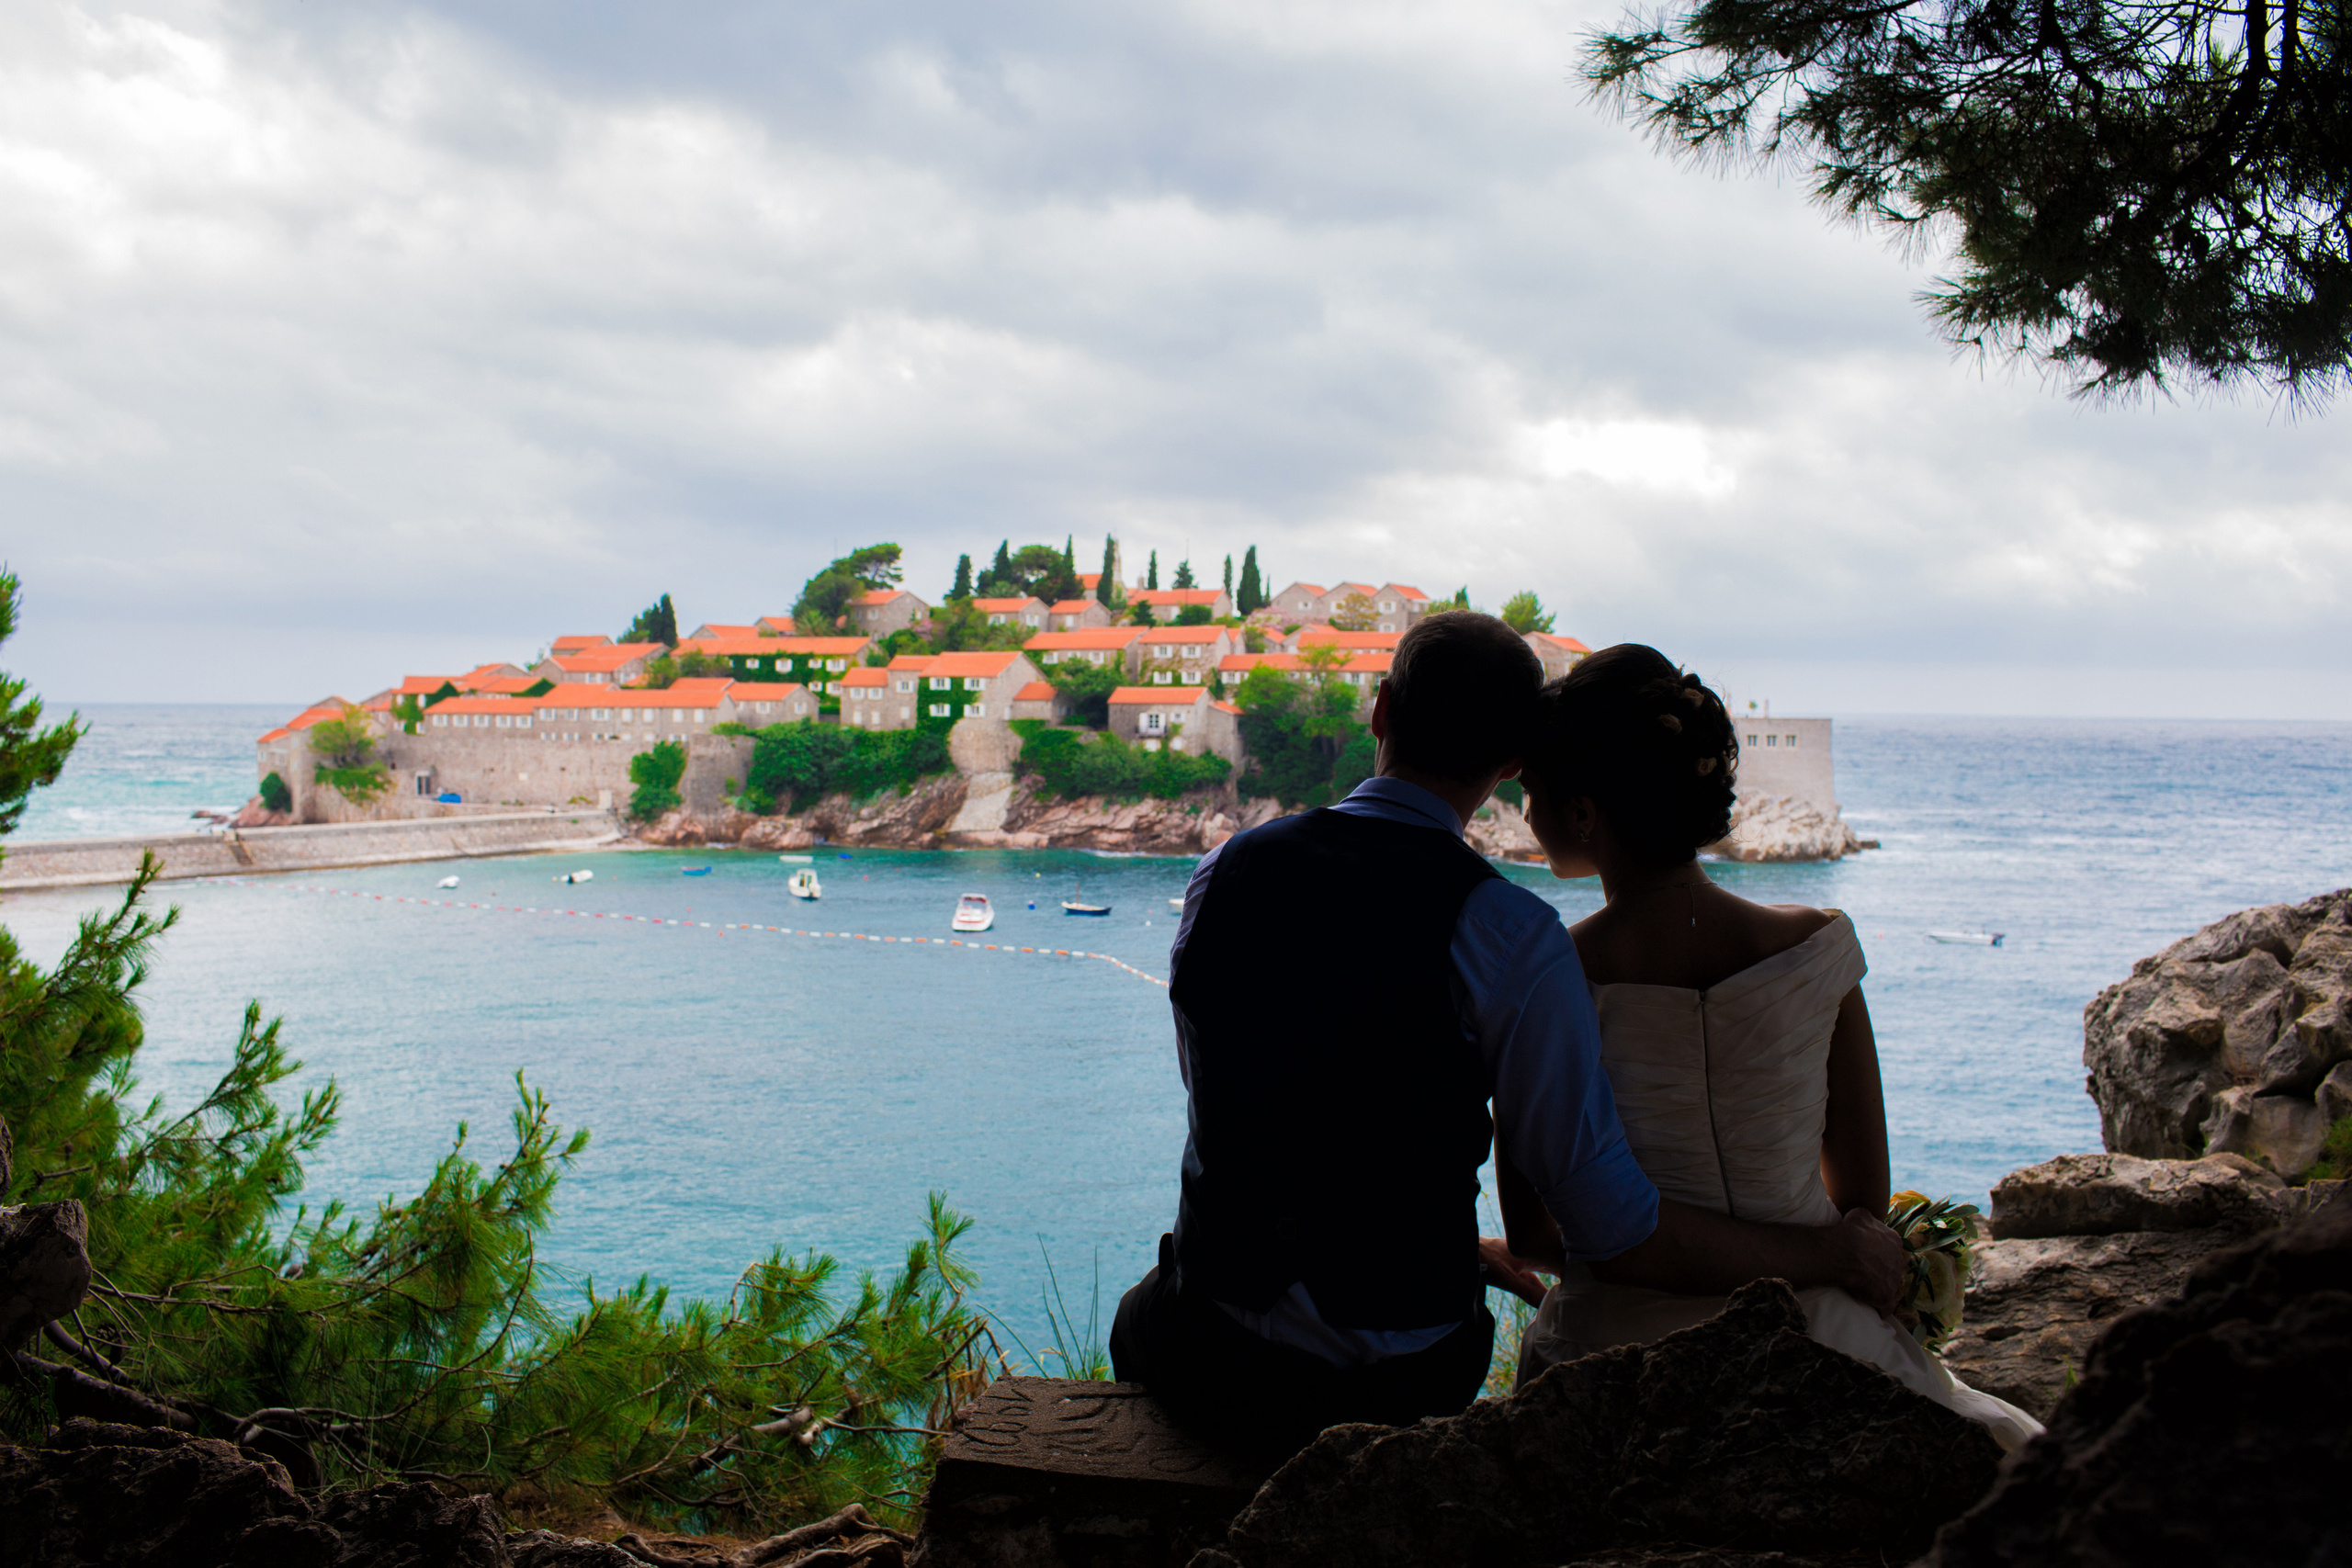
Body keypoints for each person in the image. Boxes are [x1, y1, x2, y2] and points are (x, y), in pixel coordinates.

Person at [1109, 613, 1905, 1459]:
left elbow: (1233, 1095)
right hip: (1401, 1368)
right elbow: (1612, 1225)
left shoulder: (1223, 870)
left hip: (1212, 1353)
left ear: (1381, 711)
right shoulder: (1510, 934)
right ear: (1512, 761)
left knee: (1143, 1307)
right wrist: (1832, 1252)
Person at [1510, 642, 2041, 1450]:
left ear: (1584, 811)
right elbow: (1865, 1198)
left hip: (1612, 1358)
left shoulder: (1545, 980)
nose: (1521, 813)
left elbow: (1539, 1235)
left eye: (1531, 791)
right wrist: (1822, 1255)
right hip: (1817, 1334)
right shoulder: (1817, 948)